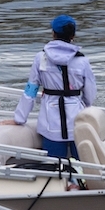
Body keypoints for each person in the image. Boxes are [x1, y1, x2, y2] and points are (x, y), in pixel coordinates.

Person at [12, 15, 97, 161]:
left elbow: (30, 91)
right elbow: (90, 93)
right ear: (73, 35)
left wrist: (19, 118)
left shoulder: (41, 58)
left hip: (50, 121)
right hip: (77, 119)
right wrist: (84, 107)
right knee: (82, 165)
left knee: (53, 168)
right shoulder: (82, 61)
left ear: (53, 33)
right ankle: (78, 183)